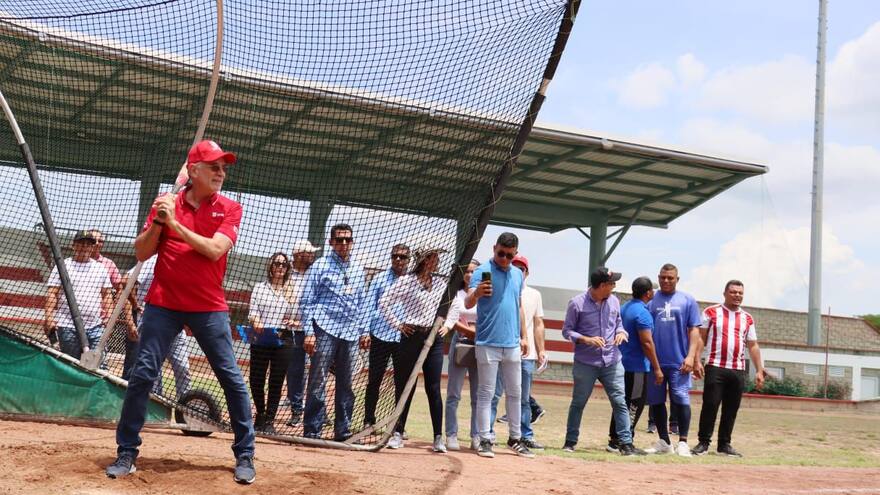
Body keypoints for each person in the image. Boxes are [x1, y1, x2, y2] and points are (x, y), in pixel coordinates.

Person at [106, 140, 256, 484]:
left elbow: (215, 250)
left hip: (209, 307)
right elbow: (142, 252)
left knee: (231, 378)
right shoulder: (167, 203)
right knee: (143, 374)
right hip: (163, 304)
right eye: (214, 166)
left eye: (223, 167)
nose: (221, 173)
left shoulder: (230, 207)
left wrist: (176, 225)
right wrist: (159, 222)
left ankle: (245, 454)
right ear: (194, 171)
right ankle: (126, 452)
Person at [466, 232, 533, 459]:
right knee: (486, 393)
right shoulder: (481, 270)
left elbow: (519, 305)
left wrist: (524, 336)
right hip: (487, 342)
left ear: (515, 254)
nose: (504, 259)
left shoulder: (517, 274)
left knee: (515, 393)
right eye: (500, 254)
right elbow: (467, 302)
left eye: (509, 256)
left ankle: (515, 438)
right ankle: (485, 439)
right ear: (494, 248)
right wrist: (476, 293)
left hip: (512, 343)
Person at [561, 267, 642, 456]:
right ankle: (570, 441)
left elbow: (619, 324)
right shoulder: (577, 303)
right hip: (585, 362)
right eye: (612, 283)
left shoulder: (614, 301)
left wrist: (622, 332)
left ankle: (625, 443)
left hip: (612, 361)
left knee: (620, 402)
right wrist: (585, 339)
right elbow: (567, 331)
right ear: (602, 285)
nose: (614, 287)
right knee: (578, 402)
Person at [301, 223, 370, 441]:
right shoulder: (319, 266)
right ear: (331, 242)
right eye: (339, 240)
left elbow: (362, 304)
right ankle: (313, 430)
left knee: (347, 384)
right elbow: (306, 301)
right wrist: (308, 332)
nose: (343, 244)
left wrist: (363, 331)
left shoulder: (358, 270)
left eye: (347, 240)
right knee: (318, 381)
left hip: (350, 333)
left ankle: (343, 431)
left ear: (352, 242)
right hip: (325, 329)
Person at [379, 246, 448, 452]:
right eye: (433, 258)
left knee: (433, 387)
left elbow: (452, 306)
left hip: (433, 337)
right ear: (425, 260)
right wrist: (398, 324)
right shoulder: (406, 281)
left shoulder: (441, 283)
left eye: (437, 258)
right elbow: (384, 303)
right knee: (404, 385)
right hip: (411, 336)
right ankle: (397, 433)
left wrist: (447, 324)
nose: (437, 261)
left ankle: (438, 437)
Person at [692, 280, 766, 457]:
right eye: (733, 292)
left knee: (731, 409)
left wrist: (759, 370)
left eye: (740, 293)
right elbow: (701, 338)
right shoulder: (711, 312)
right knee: (710, 405)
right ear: (725, 293)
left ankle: (724, 444)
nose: (737, 295)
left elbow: (753, 345)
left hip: (737, 369)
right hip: (716, 366)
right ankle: (703, 443)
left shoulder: (747, 318)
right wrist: (697, 360)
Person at [643, 263, 702, 457]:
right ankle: (664, 442)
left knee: (681, 400)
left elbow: (694, 329)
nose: (666, 281)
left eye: (670, 278)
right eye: (662, 277)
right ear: (658, 278)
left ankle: (683, 442)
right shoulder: (651, 300)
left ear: (677, 279)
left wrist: (691, 356)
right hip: (656, 363)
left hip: (680, 363)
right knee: (656, 402)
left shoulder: (688, 300)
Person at [489, 255, 546, 451]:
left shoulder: (534, 294)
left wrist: (541, 350)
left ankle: (524, 436)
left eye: (523, 268)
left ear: (527, 273)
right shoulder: (501, 287)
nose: (519, 271)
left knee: (522, 398)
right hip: (500, 347)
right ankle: (488, 434)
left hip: (525, 354)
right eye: (516, 267)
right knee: (494, 394)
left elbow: (538, 323)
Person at [607, 276, 663, 452]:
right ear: (648, 293)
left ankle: (615, 439)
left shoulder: (624, 308)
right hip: (637, 367)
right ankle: (624, 439)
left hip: (621, 364)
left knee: (621, 402)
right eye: (652, 290)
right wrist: (657, 368)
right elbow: (647, 343)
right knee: (634, 404)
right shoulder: (643, 313)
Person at [44, 230, 113, 359]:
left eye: (88, 244)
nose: (85, 247)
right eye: (81, 243)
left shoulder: (100, 268)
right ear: (73, 245)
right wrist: (49, 316)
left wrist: (109, 317)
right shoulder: (63, 266)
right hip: (68, 326)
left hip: (95, 327)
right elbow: (52, 293)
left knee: (97, 365)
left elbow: (107, 295)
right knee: (71, 364)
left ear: (93, 247)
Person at [248, 252, 296, 435]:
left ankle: (269, 420)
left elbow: (299, 315)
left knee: (276, 380)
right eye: (277, 264)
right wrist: (256, 322)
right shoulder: (260, 288)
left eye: (284, 265)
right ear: (270, 266)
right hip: (262, 337)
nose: (280, 268)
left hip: (284, 339)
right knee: (256, 378)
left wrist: (294, 322)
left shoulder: (291, 290)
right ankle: (259, 414)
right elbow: (252, 312)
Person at [362, 244, 410, 429]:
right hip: (380, 335)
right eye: (395, 256)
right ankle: (368, 420)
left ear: (409, 260)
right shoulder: (379, 279)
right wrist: (365, 331)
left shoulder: (413, 280)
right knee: (374, 379)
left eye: (402, 257)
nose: (398, 260)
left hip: (404, 337)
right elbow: (368, 306)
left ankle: (399, 425)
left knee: (402, 382)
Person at [136, 255, 192, 400]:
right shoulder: (151, 261)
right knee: (153, 368)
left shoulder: (184, 263)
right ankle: (154, 402)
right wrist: (136, 306)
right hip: (153, 324)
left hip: (176, 327)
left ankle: (185, 407)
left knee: (183, 368)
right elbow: (127, 281)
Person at [443, 260, 480, 451]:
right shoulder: (455, 294)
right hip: (460, 342)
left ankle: (476, 435)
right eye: (466, 271)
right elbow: (452, 320)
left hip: (480, 344)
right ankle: (451, 434)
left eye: (473, 271)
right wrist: (468, 330)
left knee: (478, 395)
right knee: (454, 393)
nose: (469, 274)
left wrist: (477, 332)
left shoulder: (483, 295)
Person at [284, 239, 318, 426]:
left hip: (315, 329)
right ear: (298, 255)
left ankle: (318, 412)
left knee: (317, 370)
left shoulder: (316, 273)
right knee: (295, 371)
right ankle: (297, 411)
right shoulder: (287, 275)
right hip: (293, 331)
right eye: (308, 252)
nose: (312, 255)